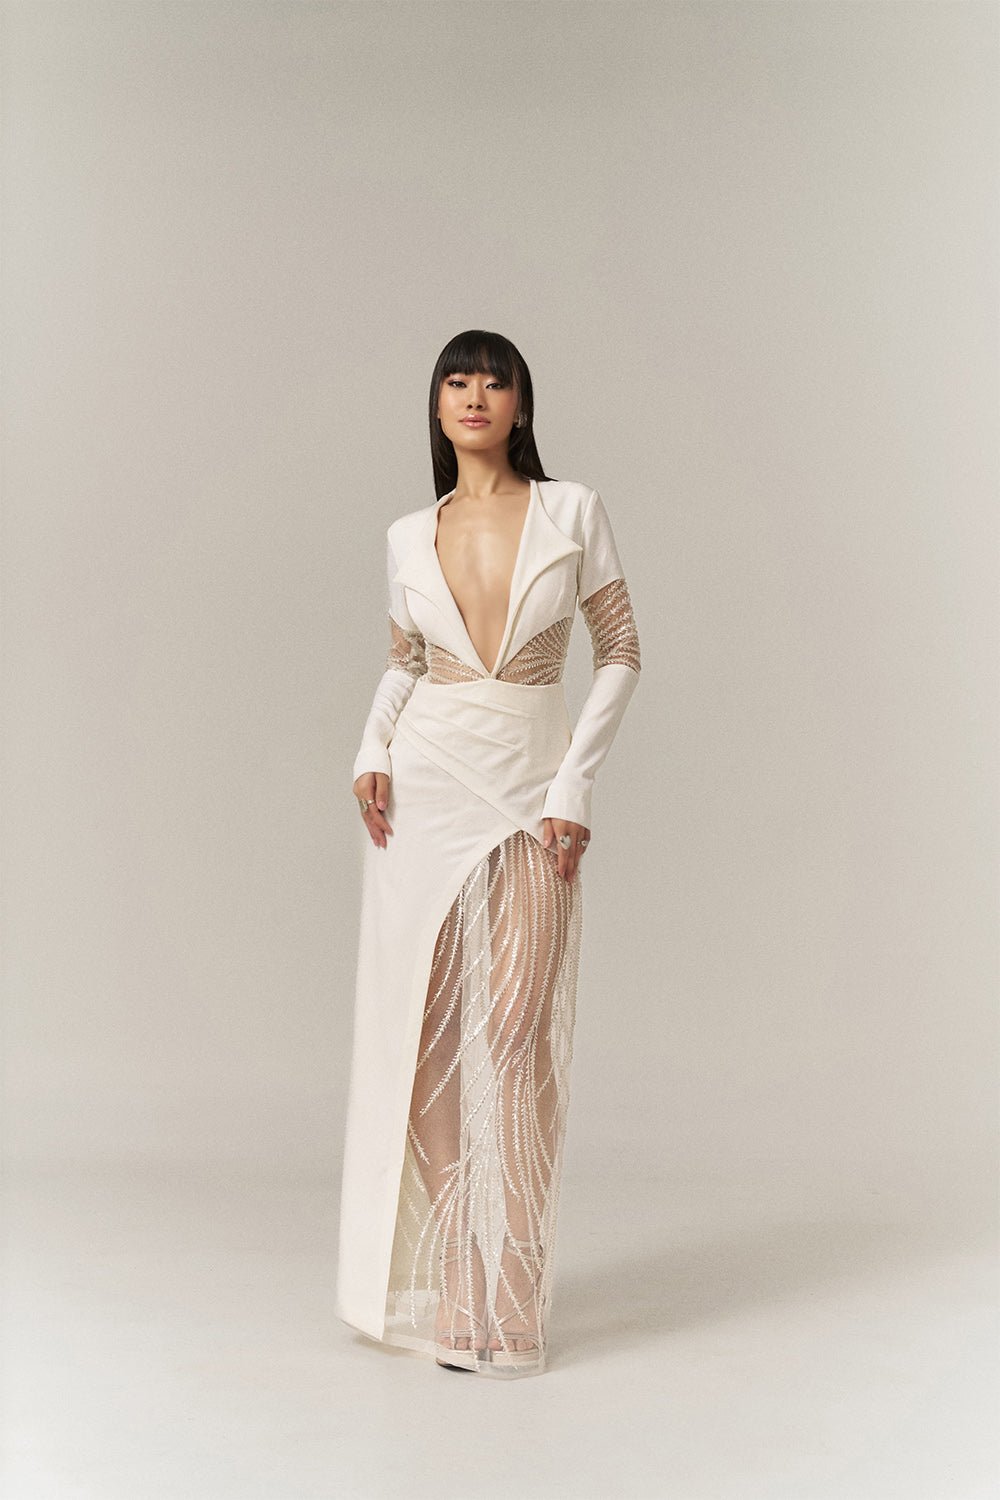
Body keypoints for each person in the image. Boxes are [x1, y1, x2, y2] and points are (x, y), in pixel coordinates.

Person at [335, 329, 641, 1378]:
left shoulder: (572, 511)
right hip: (421, 789)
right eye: (457, 381)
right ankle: (466, 1280)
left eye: (493, 381)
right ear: (436, 405)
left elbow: (621, 652)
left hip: (531, 793)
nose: (475, 395)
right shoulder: (407, 534)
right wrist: (370, 749)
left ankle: (512, 1282)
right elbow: (404, 662)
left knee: (511, 1035)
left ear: (520, 404)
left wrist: (573, 784)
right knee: (425, 1044)